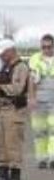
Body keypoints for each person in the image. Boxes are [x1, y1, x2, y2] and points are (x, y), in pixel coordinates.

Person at [0, 39, 30, 180]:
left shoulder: (20, 67)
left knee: (13, 143)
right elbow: (0, 86)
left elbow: (17, 88)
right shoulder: (5, 67)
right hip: (3, 109)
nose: (1, 57)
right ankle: (2, 172)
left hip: (14, 109)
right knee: (0, 143)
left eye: (3, 54)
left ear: (11, 51)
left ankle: (15, 175)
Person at [29, 34, 54, 169]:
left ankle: (52, 157)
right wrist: (31, 98)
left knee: (53, 129)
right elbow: (32, 81)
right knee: (40, 131)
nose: (46, 50)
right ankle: (42, 158)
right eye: (44, 47)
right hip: (39, 101)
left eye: (49, 47)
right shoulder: (35, 59)